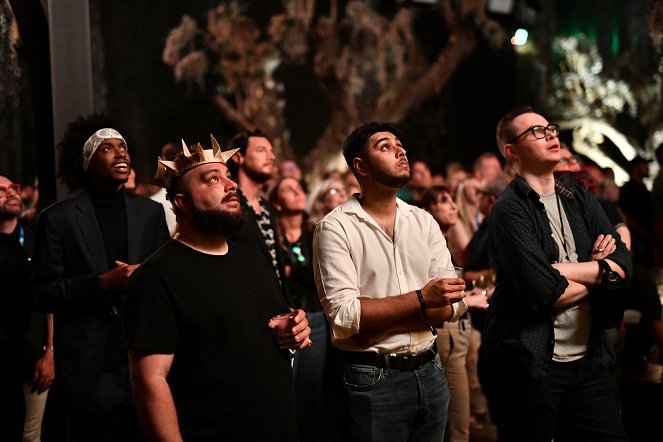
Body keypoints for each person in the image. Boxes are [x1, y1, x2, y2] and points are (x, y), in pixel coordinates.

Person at [122, 137, 312, 441]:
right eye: (213, 179)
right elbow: (149, 382)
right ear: (182, 201)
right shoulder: (156, 277)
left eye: (228, 176)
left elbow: (269, 327)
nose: (231, 185)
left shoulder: (253, 259)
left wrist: (291, 328)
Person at [479, 105, 632, 441]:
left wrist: (564, 271)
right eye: (535, 131)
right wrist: (603, 272)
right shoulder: (508, 209)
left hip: (588, 359)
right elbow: (543, 291)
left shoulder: (577, 196)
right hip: (531, 365)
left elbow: (625, 262)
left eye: (550, 127)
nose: (550, 134)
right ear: (512, 151)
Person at [313, 121, 468, 441]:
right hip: (372, 378)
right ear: (361, 165)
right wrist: (423, 298)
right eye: (385, 146)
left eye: (400, 145)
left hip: (431, 369)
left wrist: (375, 320)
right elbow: (345, 316)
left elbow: (453, 304)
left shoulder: (423, 221)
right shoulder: (336, 227)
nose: (401, 150)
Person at [30, 116, 170, 441]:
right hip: (87, 367)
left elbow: (165, 278)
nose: (120, 153)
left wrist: (143, 277)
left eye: (123, 147)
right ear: (87, 162)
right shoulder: (58, 218)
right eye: (107, 148)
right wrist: (102, 283)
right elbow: (41, 293)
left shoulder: (148, 213)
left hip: (143, 358)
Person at [420, 185, 489, 442]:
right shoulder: (426, 243)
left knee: (458, 415)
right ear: (427, 210)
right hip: (447, 329)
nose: (452, 206)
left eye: (452, 200)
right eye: (443, 201)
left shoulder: (444, 241)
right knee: (457, 423)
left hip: (458, 327)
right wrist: (468, 299)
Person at [269, 176, 336, 441]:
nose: (297, 192)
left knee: (312, 388)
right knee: (288, 388)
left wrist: (292, 271)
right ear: (276, 203)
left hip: (316, 317)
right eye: (287, 189)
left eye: (298, 188)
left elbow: (321, 274)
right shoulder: (272, 235)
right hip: (283, 317)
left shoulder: (316, 230)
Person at [0, 175, 56, 442]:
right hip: (5, 359)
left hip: (35, 358)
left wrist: (49, 351)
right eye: (0, 190)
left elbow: (50, 299)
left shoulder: (37, 240)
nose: (10, 193)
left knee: (31, 436)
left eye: (13, 187)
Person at [227, 129, 288, 298]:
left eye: (271, 151)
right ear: (238, 157)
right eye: (261, 150)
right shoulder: (230, 204)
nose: (271, 157)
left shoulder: (267, 207)